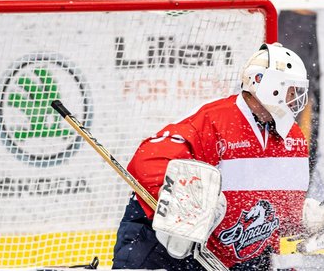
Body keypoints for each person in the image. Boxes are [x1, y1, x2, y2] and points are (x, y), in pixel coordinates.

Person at [112, 43, 311, 270]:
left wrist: (312, 222)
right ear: (267, 85)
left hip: (232, 254)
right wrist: (186, 206)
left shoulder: (293, 138)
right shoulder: (215, 121)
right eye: (291, 89)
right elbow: (147, 160)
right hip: (161, 246)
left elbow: (282, 214)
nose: (295, 98)